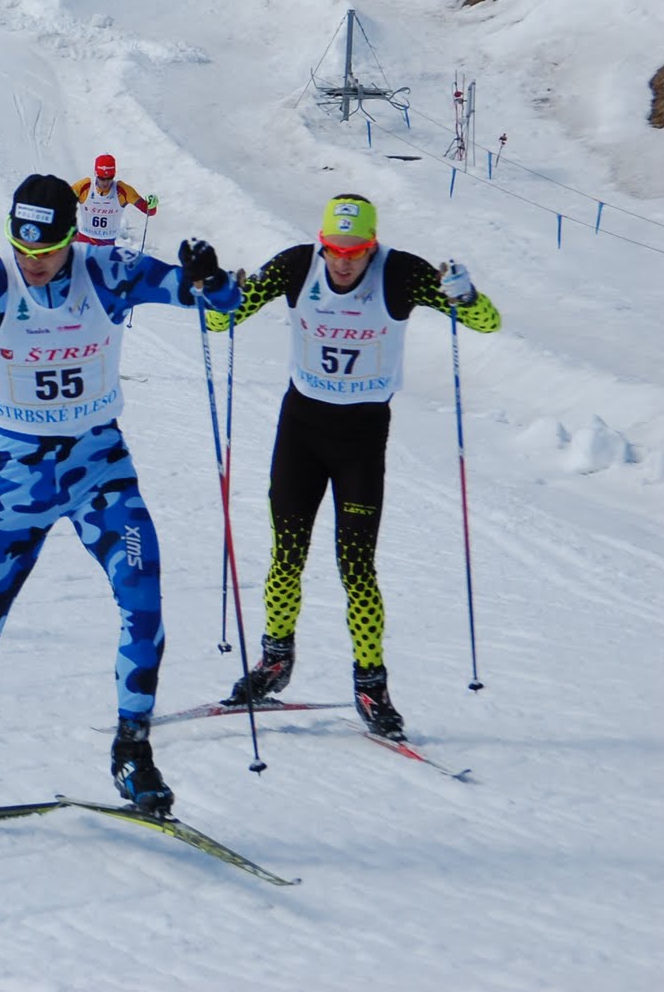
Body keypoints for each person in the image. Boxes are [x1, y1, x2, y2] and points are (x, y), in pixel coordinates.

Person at [0, 175, 241, 822]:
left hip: (98, 467)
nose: (33, 259)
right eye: (22, 244)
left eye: (46, 247)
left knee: (143, 602)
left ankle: (133, 753)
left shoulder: (108, 270)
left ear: (73, 237)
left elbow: (227, 308)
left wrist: (209, 277)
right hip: (16, 480)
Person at [212, 194, 500, 740]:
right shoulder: (298, 265)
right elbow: (223, 318)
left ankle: (370, 685)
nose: (343, 262)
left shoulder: (402, 275)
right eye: (335, 250)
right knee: (286, 553)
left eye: (357, 251)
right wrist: (219, 290)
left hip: (362, 439)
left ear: (373, 246)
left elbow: (485, 323)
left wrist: (467, 297)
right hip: (301, 430)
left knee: (357, 566)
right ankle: (274, 661)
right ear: (322, 244)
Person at [72, 153, 157, 248]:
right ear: (95, 174)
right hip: (83, 241)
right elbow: (62, 200)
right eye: (101, 178)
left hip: (107, 245)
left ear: (114, 175)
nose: (105, 182)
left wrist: (152, 204)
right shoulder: (84, 187)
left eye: (109, 178)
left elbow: (148, 211)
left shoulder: (123, 190)